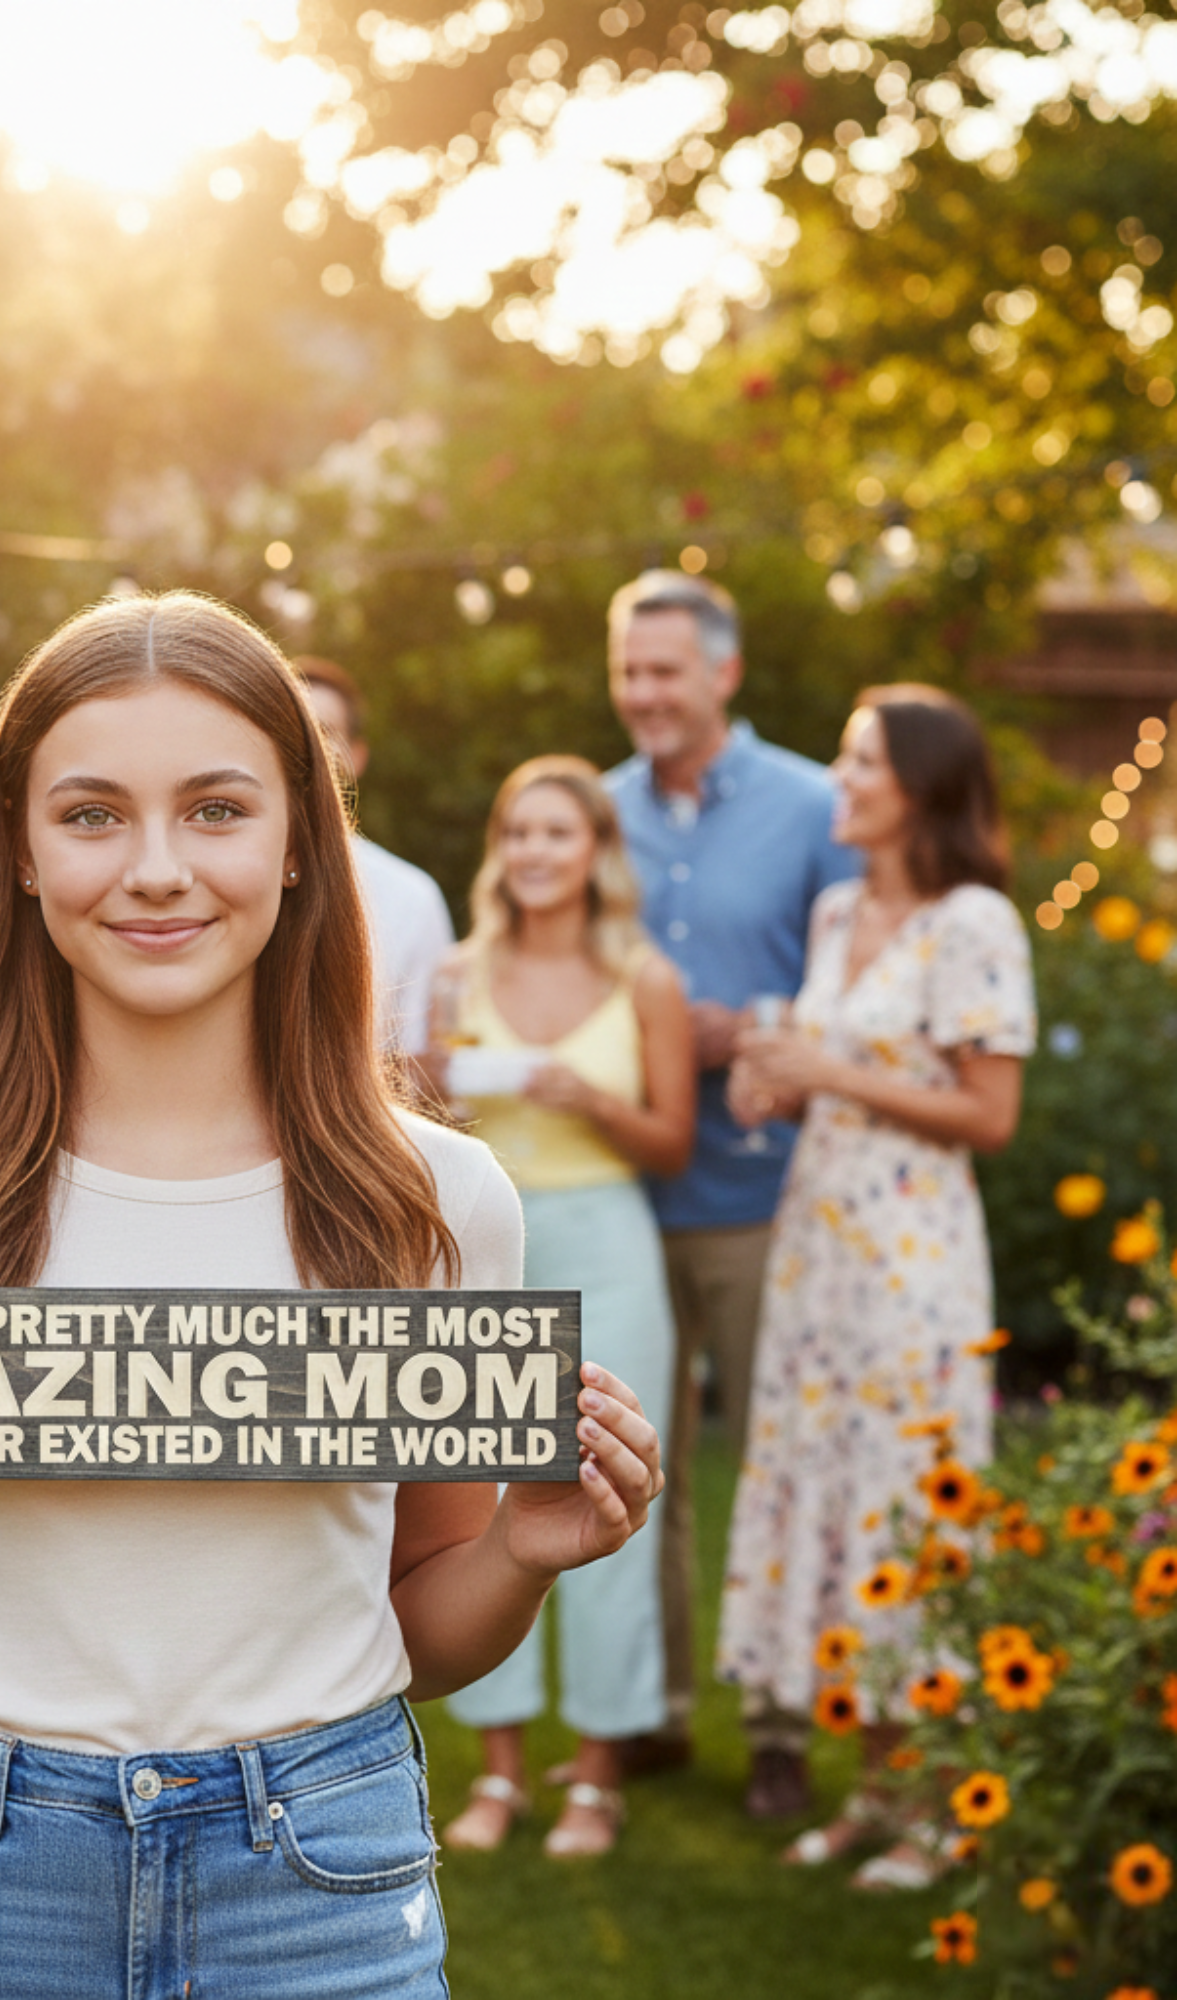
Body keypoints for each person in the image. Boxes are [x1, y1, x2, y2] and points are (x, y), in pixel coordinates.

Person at [0, 591, 665, 1999]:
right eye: (90, 815)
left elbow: (431, 1625)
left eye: (214, 810)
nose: (152, 870)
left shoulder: (437, 1202)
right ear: (16, 848)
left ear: (303, 843)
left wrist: (525, 1551)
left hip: (322, 1876)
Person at [719, 685, 1032, 1888]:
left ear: (919, 784)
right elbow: (834, 1065)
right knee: (834, 1500)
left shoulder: (973, 923)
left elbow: (988, 1112)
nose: (838, 779)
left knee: (907, 1505)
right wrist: (777, 1083)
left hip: (912, 1264)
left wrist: (827, 1073)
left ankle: (943, 1805)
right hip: (819, 1254)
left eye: (858, 763)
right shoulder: (837, 906)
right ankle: (875, 1794)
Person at [604, 569, 858, 1816]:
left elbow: (867, 982)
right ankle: (648, 1711)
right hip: (623, 1195)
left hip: (765, 1197)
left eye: (662, 670)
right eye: (626, 671)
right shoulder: (593, 814)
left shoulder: (819, 805)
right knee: (630, 1464)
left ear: (721, 672)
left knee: (775, 1461)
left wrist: (742, 1027)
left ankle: (777, 1727)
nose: (641, 694)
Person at [431, 757, 692, 1858]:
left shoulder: (644, 978)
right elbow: (420, 1118)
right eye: (519, 831)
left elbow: (672, 1142)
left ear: (594, 851)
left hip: (609, 1242)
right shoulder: (454, 973)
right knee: (473, 1496)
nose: (536, 851)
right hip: (491, 1240)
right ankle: (498, 1769)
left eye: (558, 832)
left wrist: (588, 1096)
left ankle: (594, 1768)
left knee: (602, 1486)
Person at [292, 656, 455, 1060]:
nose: (310, 747)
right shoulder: (212, 882)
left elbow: (421, 1064)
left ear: (358, 756)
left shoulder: (412, 898)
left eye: (326, 732)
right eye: (295, 730)